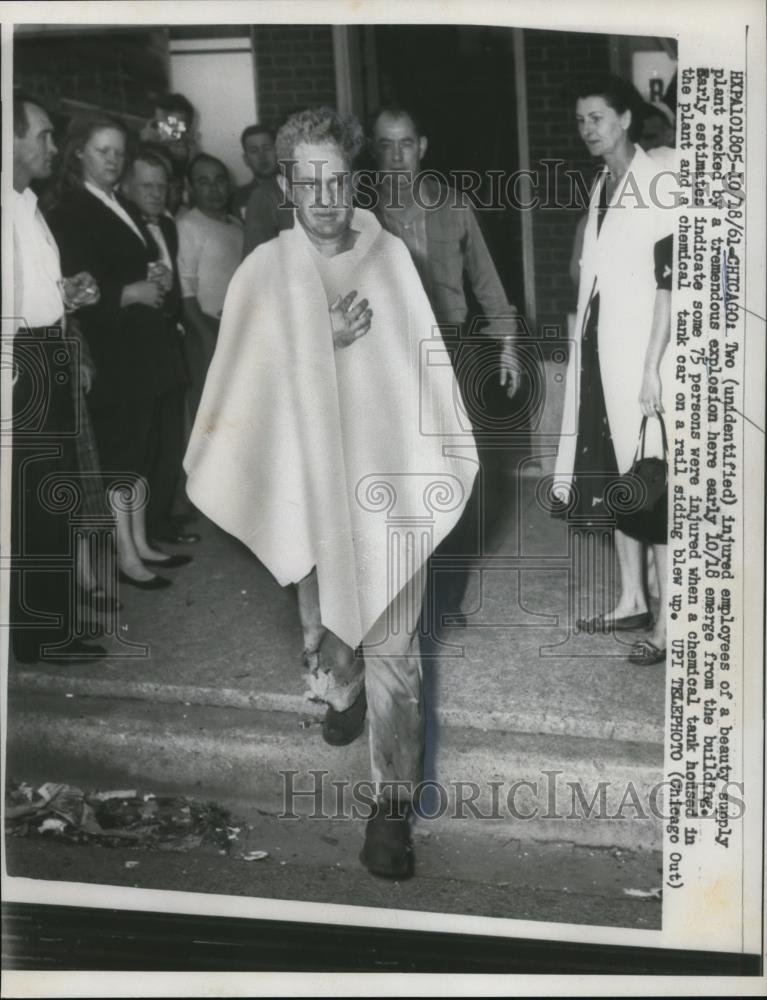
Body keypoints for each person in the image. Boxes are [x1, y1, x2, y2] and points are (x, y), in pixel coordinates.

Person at [184, 107, 477, 879]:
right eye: (306, 182)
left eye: (337, 180)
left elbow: (419, 369)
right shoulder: (264, 272)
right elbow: (237, 402)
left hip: (390, 483)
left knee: (397, 650)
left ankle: (391, 815)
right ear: (284, 185)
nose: (324, 197)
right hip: (311, 486)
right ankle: (337, 685)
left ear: (356, 180)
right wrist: (323, 342)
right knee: (335, 631)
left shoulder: (389, 258)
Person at [370, 106, 522, 634]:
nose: (396, 156)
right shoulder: (359, 215)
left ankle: (445, 595)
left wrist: (506, 343)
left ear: (423, 146)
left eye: (406, 143)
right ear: (374, 148)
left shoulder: (453, 206)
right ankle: (397, 592)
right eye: (386, 144)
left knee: (456, 476)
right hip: (386, 353)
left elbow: (487, 282)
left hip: (452, 349)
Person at [554, 74, 675, 667]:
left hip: (645, 359)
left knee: (654, 481)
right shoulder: (604, 183)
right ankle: (631, 597)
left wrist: (653, 368)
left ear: (626, 119)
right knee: (620, 473)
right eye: (581, 121)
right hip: (604, 351)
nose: (587, 130)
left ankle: (668, 623)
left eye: (597, 118)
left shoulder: (660, 180)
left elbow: (669, 285)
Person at [45, 113, 187, 590]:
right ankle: (126, 556)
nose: (113, 160)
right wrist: (129, 292)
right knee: (122, 454)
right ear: (79, 151)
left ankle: (141, 541)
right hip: (113, 348)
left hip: (141, 347)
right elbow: (76, 283)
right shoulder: (69, 208)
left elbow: (130, 262)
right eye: (103, 151)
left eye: (119, 152)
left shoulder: (116, 202)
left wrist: (157, 277)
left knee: (140, 450)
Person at [10, 90, 106, 663]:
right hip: (20, 363)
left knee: (53, 496)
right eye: (43, 135)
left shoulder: (29, 204)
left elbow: (29, 291)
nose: (52, 146)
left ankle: (55, 617)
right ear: (11, 138)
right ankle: (40, 634)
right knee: (33, 502)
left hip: (48, 350)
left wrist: (64, 294)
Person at [121, 145, 193, 551]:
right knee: (143, 444)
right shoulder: (124, 226)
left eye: (161, 186)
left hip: (168, 338)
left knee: (169, 438)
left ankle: (161, 525)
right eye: (146, 185)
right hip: (136, 348)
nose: (154, 193)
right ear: (128, 185)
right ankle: (142, 535)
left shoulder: (166, 224)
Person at [176, 154, 243, 427]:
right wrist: (205, 335)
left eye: (219, 180)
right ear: (191, 188)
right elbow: (185, 289)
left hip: (237, 330)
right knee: (209, 417)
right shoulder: (187, 226)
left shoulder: (237, 225)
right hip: (206, 330)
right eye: (203, 182)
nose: (214, 189)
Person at [237, 125, 294, 253]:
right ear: (246, 159)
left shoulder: (294, 189)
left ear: (278, 151)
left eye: (267, 148)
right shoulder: (237, 198)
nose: (262, 156)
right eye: (254, 150)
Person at [140, 92, 196, 215]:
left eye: (172, 124)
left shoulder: (190, 156)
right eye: (159, 123)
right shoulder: (141, 155)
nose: (162, 129)